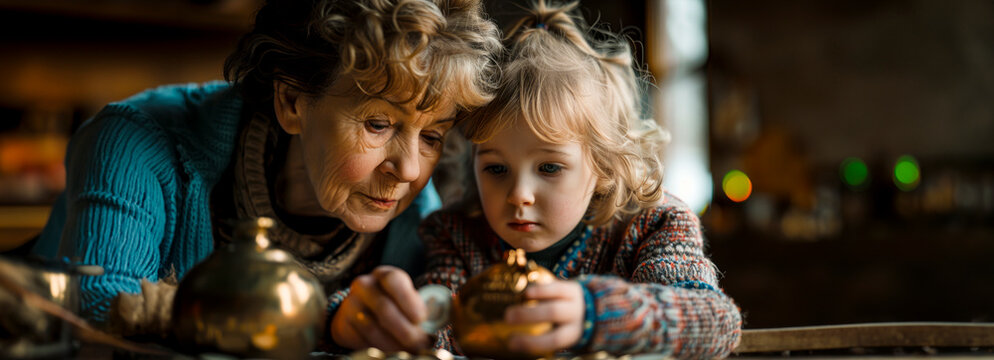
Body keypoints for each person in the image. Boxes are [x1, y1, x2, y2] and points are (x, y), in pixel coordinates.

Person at [28, 0, 500, 349]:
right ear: (292, 101)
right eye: (378, 124)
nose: (410, 169)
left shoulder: (414, 207)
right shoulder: (135, 141)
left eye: (432, 136)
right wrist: (327, 323)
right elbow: (101, 310)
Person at [415, 1, 742, 358]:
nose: (519, 195)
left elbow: (716, 322)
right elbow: (435, 331)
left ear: (602, 165)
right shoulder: (457, 234)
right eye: (496, 169)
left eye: (549, 168)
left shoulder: (653, 223)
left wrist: (593, 312)